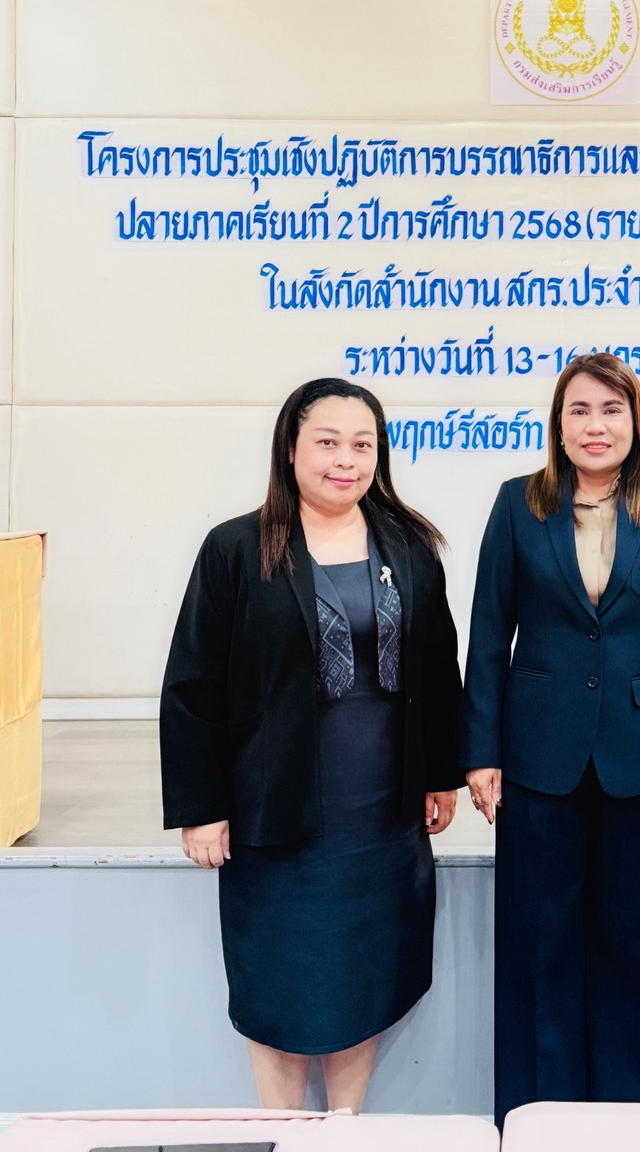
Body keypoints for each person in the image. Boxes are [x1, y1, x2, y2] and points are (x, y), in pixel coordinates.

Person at [160, 377, 463, 1113]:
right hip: (276, 820)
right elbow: (192, 683)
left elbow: (437, 670)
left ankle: (343, 1130)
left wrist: (440, 775)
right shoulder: (237, 548)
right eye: (328, 442)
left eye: (362, 445)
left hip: (380, 821)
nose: (345, 460)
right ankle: (285, 1131)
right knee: (279, 992)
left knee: (364, 984)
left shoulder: (410, 548)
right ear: (291, 449)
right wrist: (200, 808)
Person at [461, 352, 640, 1127]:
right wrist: (481, 751)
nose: (595, 425)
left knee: (638, 952)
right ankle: (536, 1123)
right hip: (538, 756)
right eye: (579, 410)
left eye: (611, 410)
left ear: (635, 422)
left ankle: (635, 1130)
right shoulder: (519, 505)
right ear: (558, 424)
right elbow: (488, 634)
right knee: (538, 951)